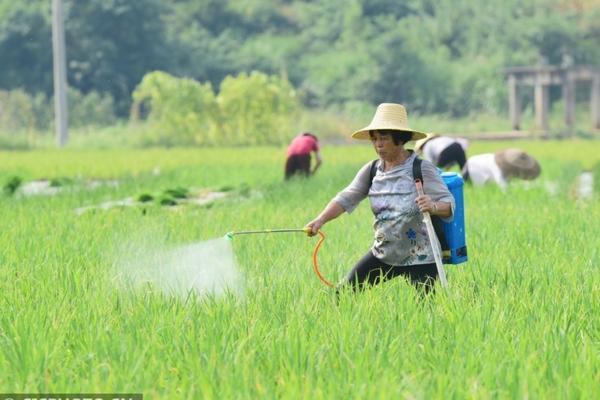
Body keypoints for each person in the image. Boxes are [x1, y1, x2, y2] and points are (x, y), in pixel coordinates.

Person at [305, 103, 455, 292]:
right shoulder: (372, 170)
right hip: (384, 253)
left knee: (426, 313)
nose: (378, 144)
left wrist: (433, 206)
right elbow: (346, 197)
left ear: (400, 139)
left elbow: (449, 204)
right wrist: (320, 220)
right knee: (342, 294)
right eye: (374, 139)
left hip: (422, 257)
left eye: (384, 138)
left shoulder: (421, 169)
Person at [463, 148, 541, 190]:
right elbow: (502, 184)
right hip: (470, 169)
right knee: (474, 192)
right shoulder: (496, 167)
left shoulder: (502, 165)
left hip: (473, 163)